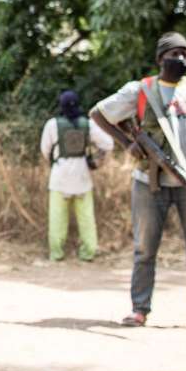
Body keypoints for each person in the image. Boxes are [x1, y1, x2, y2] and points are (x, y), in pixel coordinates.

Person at [92, 33, 186, 332]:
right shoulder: (140, 90)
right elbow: (98, 114)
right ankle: (139, 310)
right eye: (175, 53)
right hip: (149, 182)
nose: (181, 59)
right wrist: (127, 142)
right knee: (145, 249)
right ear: (160, 58)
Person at [40, 90, 114, 261]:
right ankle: (88, 252)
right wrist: (97, 160)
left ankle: (57, 253)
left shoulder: (52, 124)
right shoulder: (87, 124)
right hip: (82, 175)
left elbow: (45, 150)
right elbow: (108, 144)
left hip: (60, 175)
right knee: (86, 218)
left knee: (57, 218)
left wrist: (53, 160)